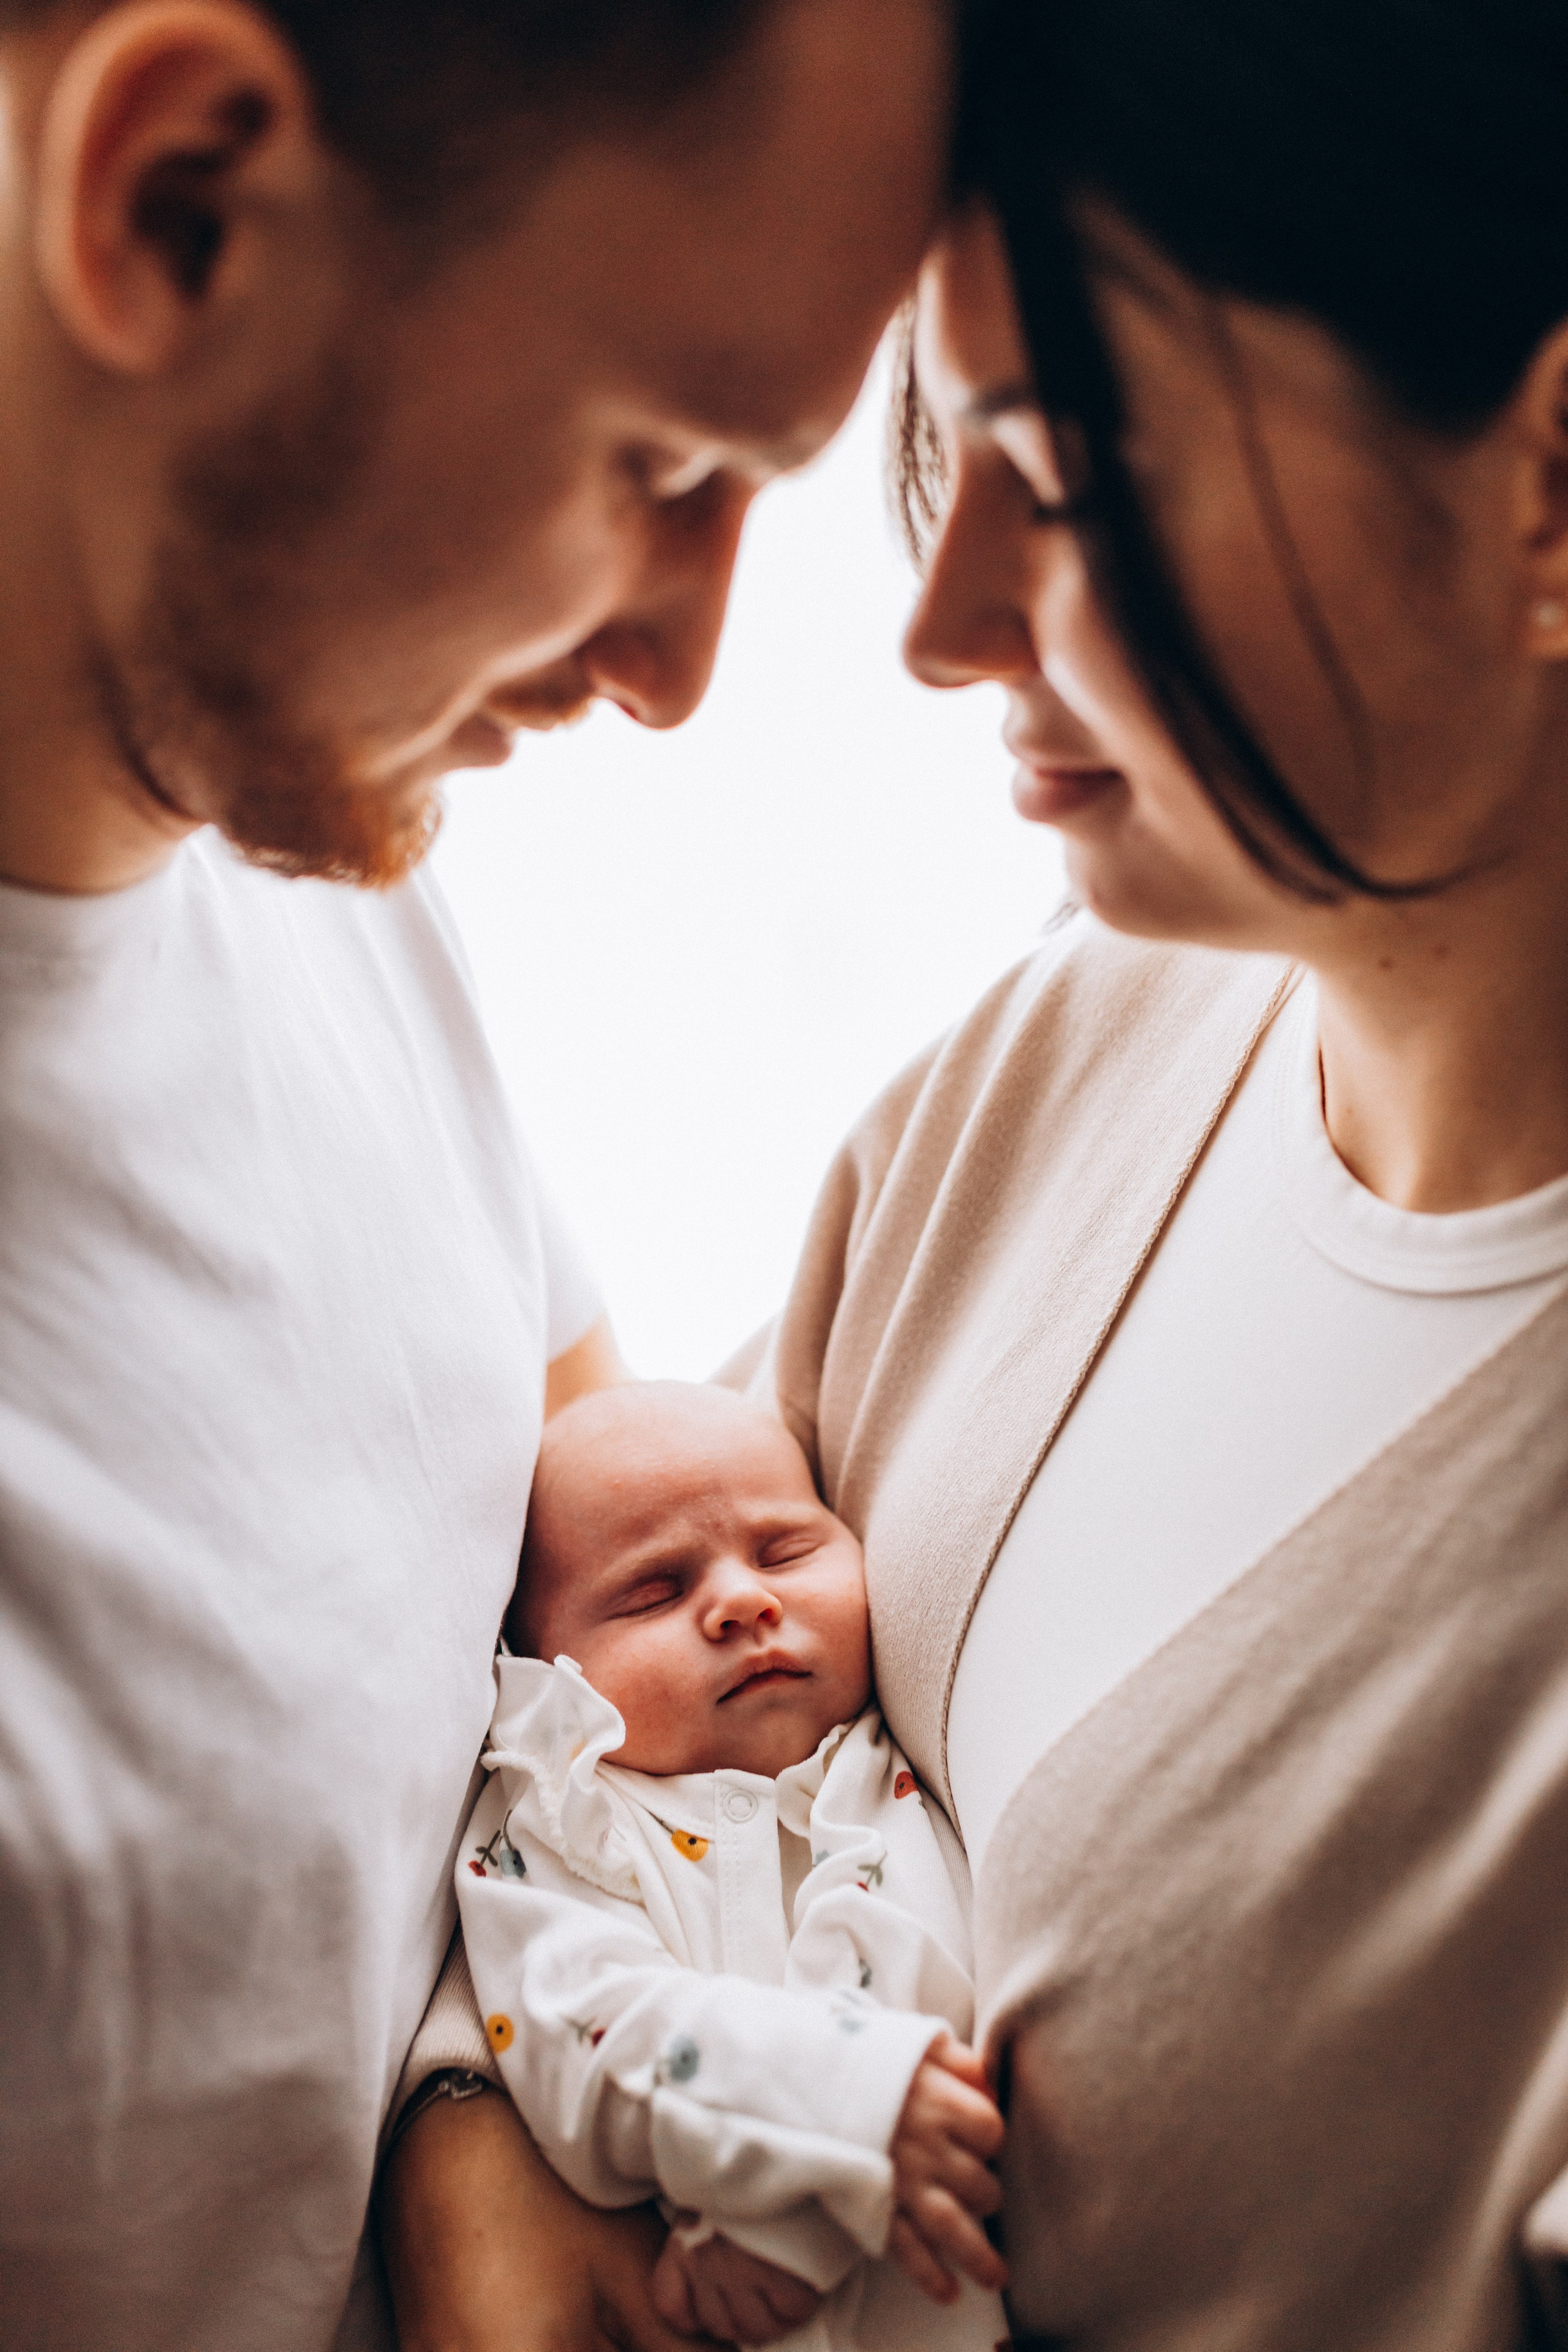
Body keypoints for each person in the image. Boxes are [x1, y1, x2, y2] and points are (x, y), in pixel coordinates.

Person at [417, 2, 1568, 2342]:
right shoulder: (1054, 1068)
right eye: (952, 448)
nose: (942, 631)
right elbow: (562, 1755)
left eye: (1078, 469)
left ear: (1550, 487)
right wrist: (468, 2144)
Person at [0, 1, 949, 2345]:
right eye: (662, 457)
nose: (678, 664)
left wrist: (467, 2131)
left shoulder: (315, 863)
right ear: (178, 201)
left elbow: (550, 1718)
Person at [456, 1381, 1007, 2351]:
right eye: (653, 1591)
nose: (743, 1600)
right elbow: (579, 2029)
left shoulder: (877, 1772)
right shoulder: (552, 1818)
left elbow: (923, 1951)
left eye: (785, 1549)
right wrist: (830, 2107)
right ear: (547, 1663)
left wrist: (798, 2208)